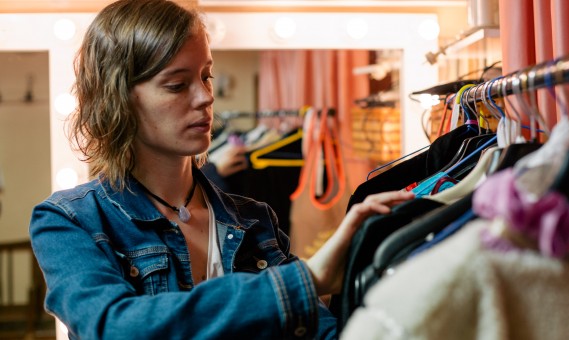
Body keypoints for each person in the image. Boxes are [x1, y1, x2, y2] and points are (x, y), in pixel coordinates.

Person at [28, 0, 414, 339]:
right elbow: (117, 328)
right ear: (118, 99)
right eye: (178, 85)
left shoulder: (255, 222)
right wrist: (306, 281)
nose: (206, 97)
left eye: (206, 75)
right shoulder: (69, 222)